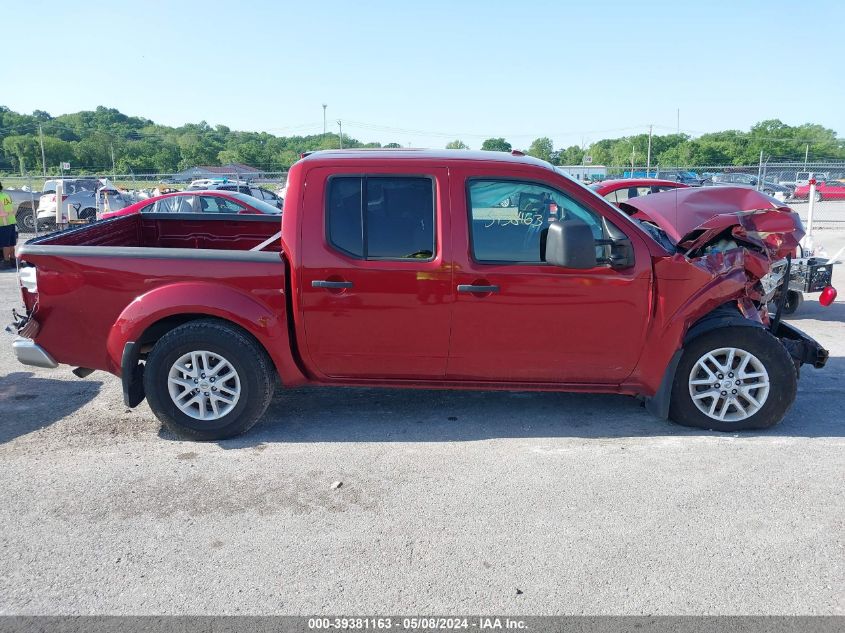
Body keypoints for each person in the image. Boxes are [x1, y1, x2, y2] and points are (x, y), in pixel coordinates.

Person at [0, 181, 17, 269]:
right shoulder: (6, 195)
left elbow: (1, 213)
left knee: (5, 244)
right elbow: (13, 209)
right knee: (11, 243)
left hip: (3, 223)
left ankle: (6, 262)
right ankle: (13, 260)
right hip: (11, 222)